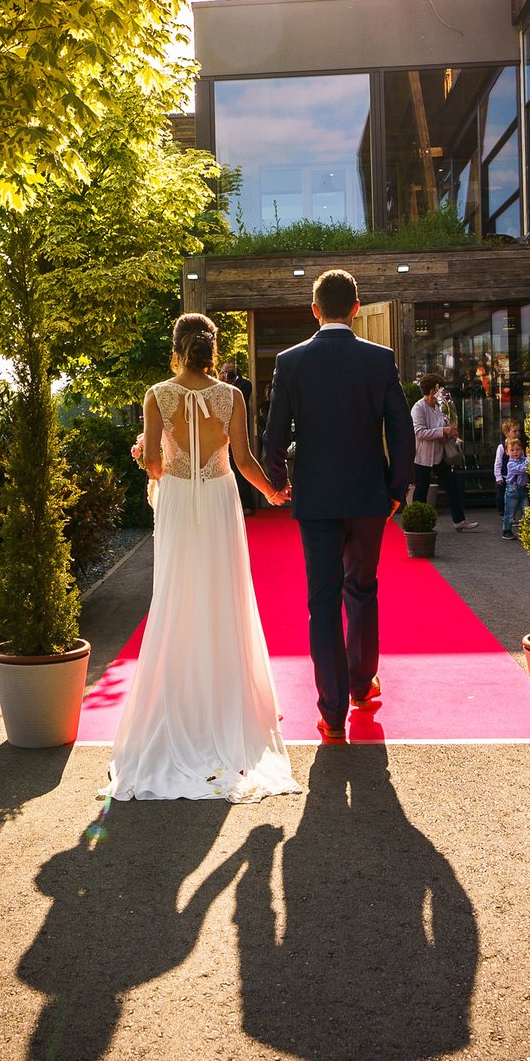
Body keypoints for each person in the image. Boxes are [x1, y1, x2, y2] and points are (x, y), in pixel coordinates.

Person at [108, 313, 299, 802]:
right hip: (217, 500)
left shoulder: (157, 395)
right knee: (223, 597)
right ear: (213, 349)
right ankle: (226, 708)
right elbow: (244, 461)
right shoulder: (230, 396)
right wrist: (273, 493)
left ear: (176, 347)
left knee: (175, 597)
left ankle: (180, 708)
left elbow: (154, 461)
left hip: (177, 499)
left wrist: (143, 456)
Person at [262, 269, 415, 743]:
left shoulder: (290, 362)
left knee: (322, 601)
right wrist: (396, 489)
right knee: (362, 589)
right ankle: (361, 687)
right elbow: (402, 430)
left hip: (317, 498)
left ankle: (330, 714)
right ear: (356, 306)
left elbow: (273, 437)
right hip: (369, 495)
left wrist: (281, 482)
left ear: (314, 309)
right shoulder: (379, 359)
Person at [411, 374, 479, 532]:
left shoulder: (438, 407)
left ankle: (459, 520)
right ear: (432, 390)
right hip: (424, 456)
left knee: (451, 485)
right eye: (440, 390)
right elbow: (419, 432)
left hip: (440, 454)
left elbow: (443, 425)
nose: (442, 394)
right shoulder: (418, 407)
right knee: (421, 488)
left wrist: (450, 432)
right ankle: (417, 524)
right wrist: (443, 430)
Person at [220, 361, 257, 516]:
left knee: (241, 466)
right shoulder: (218, 387)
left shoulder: (244, 384)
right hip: (221, 433)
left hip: (239, 432)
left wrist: (228, 382)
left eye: (231, 371)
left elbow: (240, 396)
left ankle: (248, 504)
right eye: (224, 372)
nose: (228, 375)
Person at [500, 435, 530, 539]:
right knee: (509, 512)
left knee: (526, 511)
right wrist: (529, 458)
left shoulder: (524, 459)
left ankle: (526, 531)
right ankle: (506, 531)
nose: (515, 452)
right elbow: (524, 468)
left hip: (523, 489)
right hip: (512, 490)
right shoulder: (510, 464)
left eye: (517, 449)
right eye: (512, 450)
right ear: (507, 452)